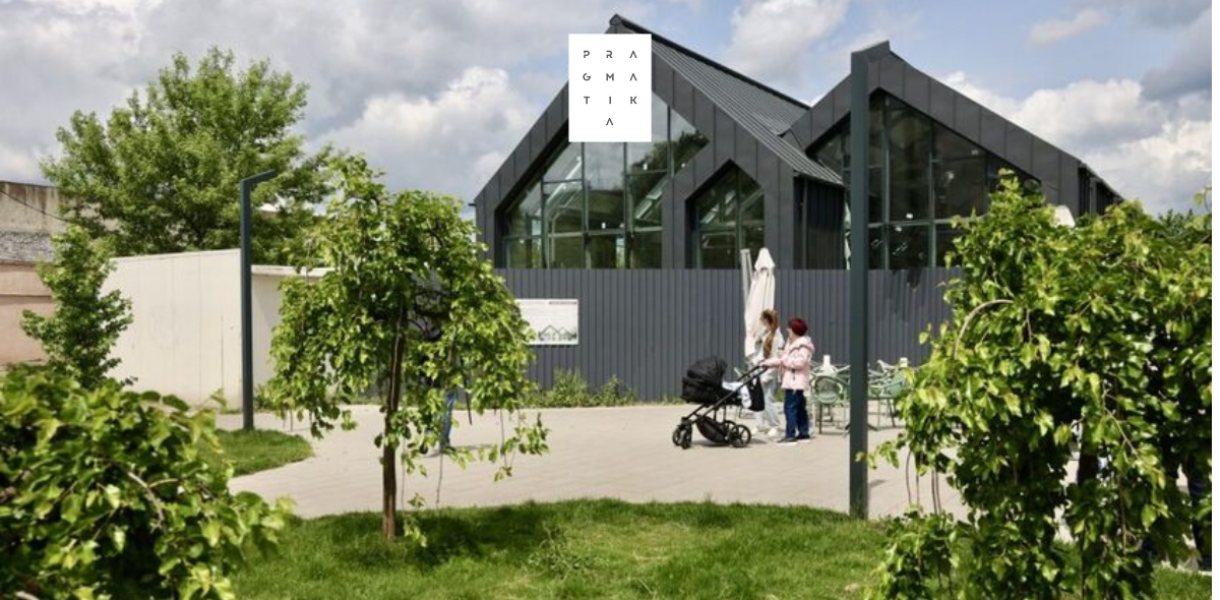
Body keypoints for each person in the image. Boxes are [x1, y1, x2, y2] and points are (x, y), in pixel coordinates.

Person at [763, 317, 814, 444]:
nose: (787, 330)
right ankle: (804, 434)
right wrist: (766, 362)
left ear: (794, 330)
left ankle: (790, 436)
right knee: (800, 408)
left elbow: (799, 363)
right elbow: (783, 360)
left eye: (789, 328)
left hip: (795, 382)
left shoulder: (803, 346)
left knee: (789, 409)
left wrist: (784, 356)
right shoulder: (791, 343)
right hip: (792, 381)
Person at [749, 309, 784, 437]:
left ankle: (774, 425)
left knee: (768, 399)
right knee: (756, 398)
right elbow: (758, 348)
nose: (761, 323)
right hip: (759, 369)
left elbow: (777, 359)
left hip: (769, 372)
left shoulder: (777, 337)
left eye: (762, 320)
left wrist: (768, 375)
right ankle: (759, 425)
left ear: (767, 321)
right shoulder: (765, 332)